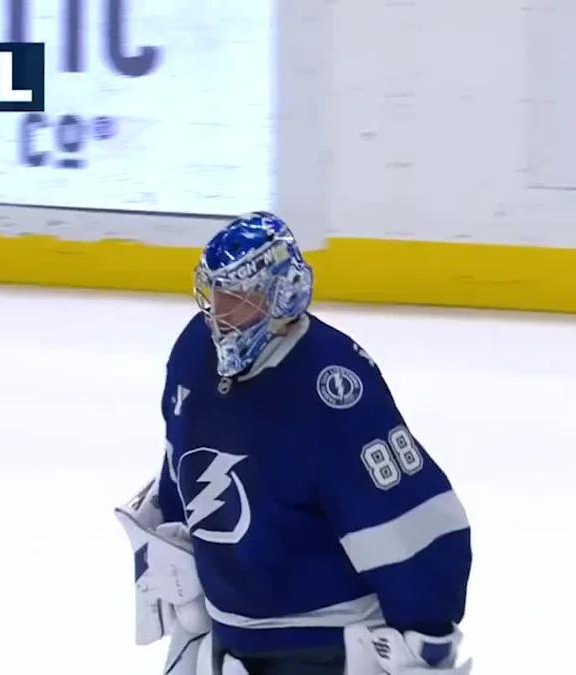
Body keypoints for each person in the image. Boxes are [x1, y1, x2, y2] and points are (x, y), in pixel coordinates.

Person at [115, 212, 473, 675]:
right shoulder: (193, 352)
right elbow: (182, 469)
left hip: (324, 646)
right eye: (215, 296)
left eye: (240, 300)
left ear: (283, 294)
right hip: (226, 642)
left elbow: (403, 520)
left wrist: (426, 635)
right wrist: (179, 557)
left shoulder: (332, 383)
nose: (221, 317)